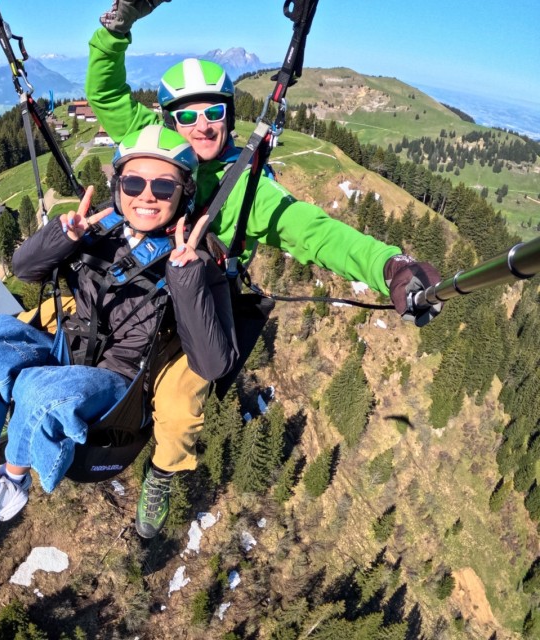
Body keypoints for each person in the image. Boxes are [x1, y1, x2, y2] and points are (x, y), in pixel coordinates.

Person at [87, 0, 444, 538]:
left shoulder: (245, 190)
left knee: (181, 409)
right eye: (186, 115)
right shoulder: (151, 142)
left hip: (196, 308)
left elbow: (315, 232)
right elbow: (107, 93)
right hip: (133, 284)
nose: (201, 125)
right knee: (55, 330)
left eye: (213, 112)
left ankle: (161, 474)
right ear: (166, 121)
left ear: (229, 116)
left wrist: (388, 266)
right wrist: (116, 28)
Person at [0, 125, 238, 557]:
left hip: (116, 378)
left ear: (183, 194)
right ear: (119, 187)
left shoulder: (200, 255)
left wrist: (187, 274)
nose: (146, 195)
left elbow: (212, 363)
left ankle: (15, 481)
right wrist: (63, 237)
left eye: (163, 185)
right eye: (133, 183)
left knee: (38, 392)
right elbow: (24, 270)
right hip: (66, 343)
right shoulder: (100, 228)